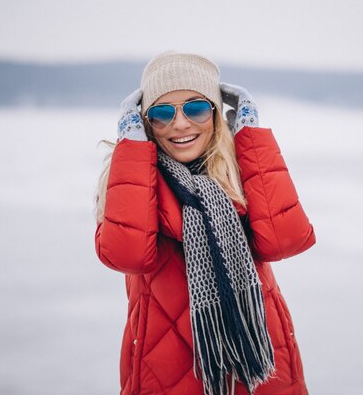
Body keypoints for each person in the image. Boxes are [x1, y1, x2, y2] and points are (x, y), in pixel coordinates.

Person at [93, 51, 316, 395]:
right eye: (162, 114)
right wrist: (133, 149)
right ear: (144, 123)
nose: (180, 124)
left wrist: (251, 135)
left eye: (196, 109)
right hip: (167, 371)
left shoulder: (244, 173)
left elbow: (285, 240)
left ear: (216, 114)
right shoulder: (131, 181)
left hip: (261, 370)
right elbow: (128, 255)